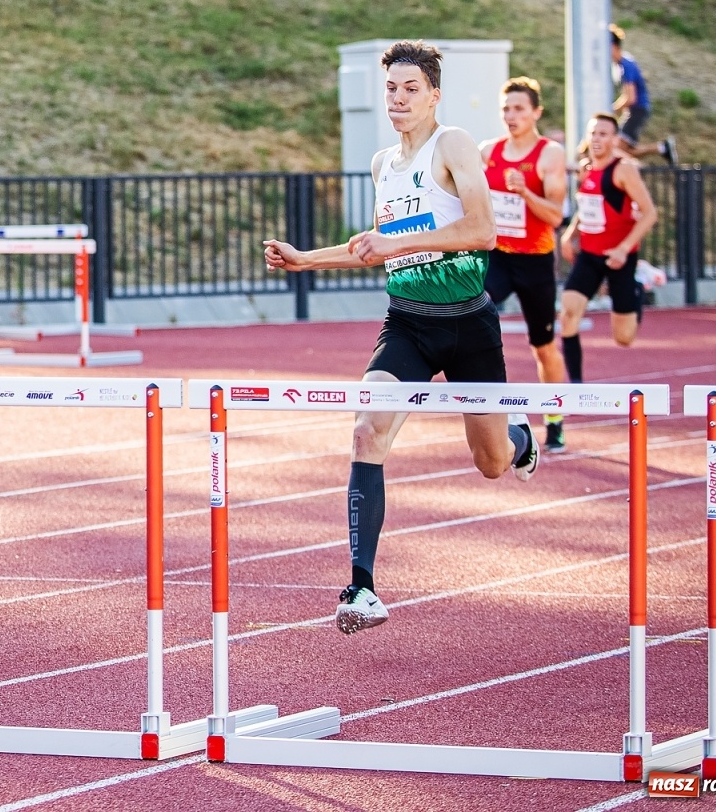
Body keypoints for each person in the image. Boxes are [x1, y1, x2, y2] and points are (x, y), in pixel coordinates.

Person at [265, 40, 540, 636]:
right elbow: (377, 243)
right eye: (391, 88)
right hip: (408, 323)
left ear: (434, 94)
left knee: (490, 463)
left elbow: (484, 230)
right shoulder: (382, 163)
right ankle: (361, 587)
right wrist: (304, 260)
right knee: (366, 428)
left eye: (410, 88)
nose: (398, 98)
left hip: (468, 325)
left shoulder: (454, 144)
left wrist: (400, 243)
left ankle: (519, 439)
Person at [480, 77, 570, 452]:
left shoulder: (550, 155)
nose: (511, 116)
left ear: (536, 112)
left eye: (518, 109)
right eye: (505, 109)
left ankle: (554, 420)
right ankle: (490, 409)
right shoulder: (488, 151)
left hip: (535, 261)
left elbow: (554, 215)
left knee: (543, 346)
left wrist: (524, 191)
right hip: (497, 257)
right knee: (472, 314)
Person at [559, 113, 659, 384]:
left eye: (603, 134)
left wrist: (624, 249)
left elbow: (650, 213)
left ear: (614, 140)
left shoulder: (623, 169)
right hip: (590, 255)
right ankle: (576, 385)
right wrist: (571, 233)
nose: (596, 139)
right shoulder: (586, 168)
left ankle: (637, 288)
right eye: (593, 133)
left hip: (619, 258)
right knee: (568, 314)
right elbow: (588, 205)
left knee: (624, 338)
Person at [610, 24, 675, 166]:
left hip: (637, 110)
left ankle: (640, 169)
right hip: (636, 110)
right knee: (625, 151)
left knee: (617, 150)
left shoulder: (625, 65)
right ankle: (662, 148)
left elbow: (630, 97)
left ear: (612, 46)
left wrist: (612, 110)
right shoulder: (623, 63)